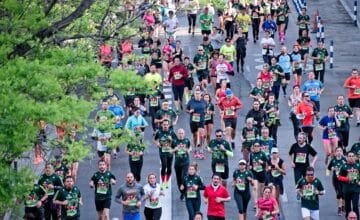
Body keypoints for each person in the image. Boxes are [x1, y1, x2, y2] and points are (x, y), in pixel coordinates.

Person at [154, 119, 177, 189]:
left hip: (170, 152)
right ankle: (163, 182)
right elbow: (155, 139)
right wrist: (157, 143)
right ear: (162, 125)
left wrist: (172, 140)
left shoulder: (172, 132)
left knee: (169, 167)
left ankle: (167, 182)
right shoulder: (159, 132)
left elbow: (176, 141)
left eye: (167, 125)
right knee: (164, 166)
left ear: (169, 125)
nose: (165, 126)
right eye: (164, 125)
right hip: (162, 152)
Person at [338, 151, 360, 219]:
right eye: (349, 156)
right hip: (346, 190)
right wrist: (347, 179)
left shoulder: (358, 166)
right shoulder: (344, 167)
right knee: (348, 208)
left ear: (355, 157)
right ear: (347, 158)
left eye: (352, 156)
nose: (351, 158)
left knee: (355, 206)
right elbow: (339, 177)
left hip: (355, 189)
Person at [187, 87, 207, 159]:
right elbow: (187, 109)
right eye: (196, 93)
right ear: (194, 94)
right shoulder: (191, 101)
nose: (197, 95)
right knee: (195, 135)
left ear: (201, 94)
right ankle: (195, 149)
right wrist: (190, 112)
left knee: (201, 135)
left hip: (201, 120)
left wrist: (206, 112)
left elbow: (206, 109)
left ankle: (201, 150)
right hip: (193, 120)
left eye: (198, 94)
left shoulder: (204, 101)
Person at [172, 128, 191, 200]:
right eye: (179, 133)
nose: (180, 135)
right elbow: (170, 151)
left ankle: (185, 192)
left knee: (184, 177)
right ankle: (182, 192)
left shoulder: (187, 140)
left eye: (182, 133)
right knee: (179, 179)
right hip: (177, 163)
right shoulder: (174, 141)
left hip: (185, 162)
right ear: (177, 134)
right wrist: (175, 149)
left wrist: (187, 150)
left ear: (184, 134)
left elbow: (190, 148)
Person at [327, 147, 346, 216]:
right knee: (339, 193)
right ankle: (339, 208)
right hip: (336, 180)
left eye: (340, 151)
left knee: (344, 194)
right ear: (335, 153)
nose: (339, 152)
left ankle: (343, 206)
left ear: (342, 152)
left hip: (344, 179)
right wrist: (331, 170)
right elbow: (328, 168)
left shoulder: (345, 160)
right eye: (337, 151)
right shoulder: (333, 160)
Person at [250, 141, 268, 209]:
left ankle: (260, 201)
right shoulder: (251, 154)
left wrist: (262, 162)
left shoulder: (263, 154)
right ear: (253, 147)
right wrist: (250, 169)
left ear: (260, 147)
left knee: (261, 190)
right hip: (254, 173)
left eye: (258, 146)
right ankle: (255, 203)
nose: (256, 147)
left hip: (262, 173)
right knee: (255, 188)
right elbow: (251, 164)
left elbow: (266, 164)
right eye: (255, 146)